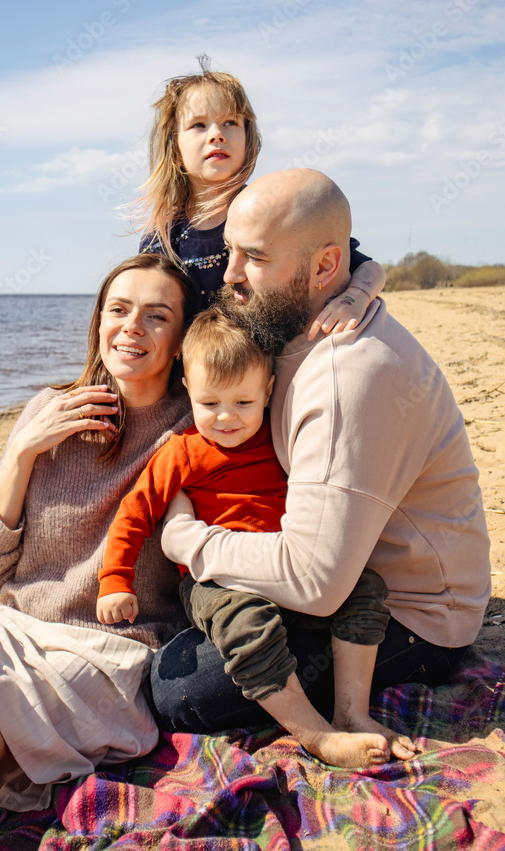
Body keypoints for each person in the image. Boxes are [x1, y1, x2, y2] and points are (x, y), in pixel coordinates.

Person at [153, 169, 492, 738]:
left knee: (176, 688)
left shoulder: (346, 377)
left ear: (324, 267)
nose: (230, 275)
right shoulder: (289, 326)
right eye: (230, 251)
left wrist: (188, 542)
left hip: (416, 617)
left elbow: (315, 581)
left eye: (254, 257)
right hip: (351, 572)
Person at [0, 253, 196, 851]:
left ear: (180, 341)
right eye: (119, 309)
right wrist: (20, 453)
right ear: (99, 320)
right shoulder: (51, 408)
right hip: (12, 623)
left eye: (157, 317)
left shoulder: (198, 430)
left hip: (110, 653)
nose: (132, 327)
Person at [97, 307, 414, 767]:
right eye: (210, 404)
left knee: (364, 588)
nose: (226, 418)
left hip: (286, 568)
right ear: (188, 388)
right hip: (214, 583)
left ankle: (352, 713)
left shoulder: (280, 436)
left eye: (242, 403)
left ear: (268, 391)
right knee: (246, 625)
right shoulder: (182, 452)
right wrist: (115, 580)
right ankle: (315, 734)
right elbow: (134, 513)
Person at [136, 58, 386, 332]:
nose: (217, 135)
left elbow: (368, 268)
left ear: (248, 138)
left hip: (267, 369)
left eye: (230, 122)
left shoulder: (269, 211)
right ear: (174, 147)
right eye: (198, 125)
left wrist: (355, 298)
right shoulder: (161, 236)